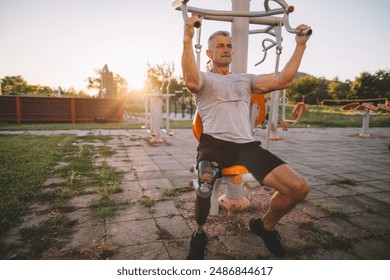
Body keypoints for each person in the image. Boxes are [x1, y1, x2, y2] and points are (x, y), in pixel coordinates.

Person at [182, 14, 311, 259]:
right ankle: (199, 232)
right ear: (209, 53)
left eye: (229, 45)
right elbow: (189, 79)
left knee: (299, 188)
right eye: (220, 45)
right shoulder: (204, 78)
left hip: (247, 146)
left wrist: (300, 45)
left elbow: (284, 80)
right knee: (204, 187)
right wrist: (187, 39)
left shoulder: (246, 79)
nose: (226, 49)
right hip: (214, 144)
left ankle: (265, 226)